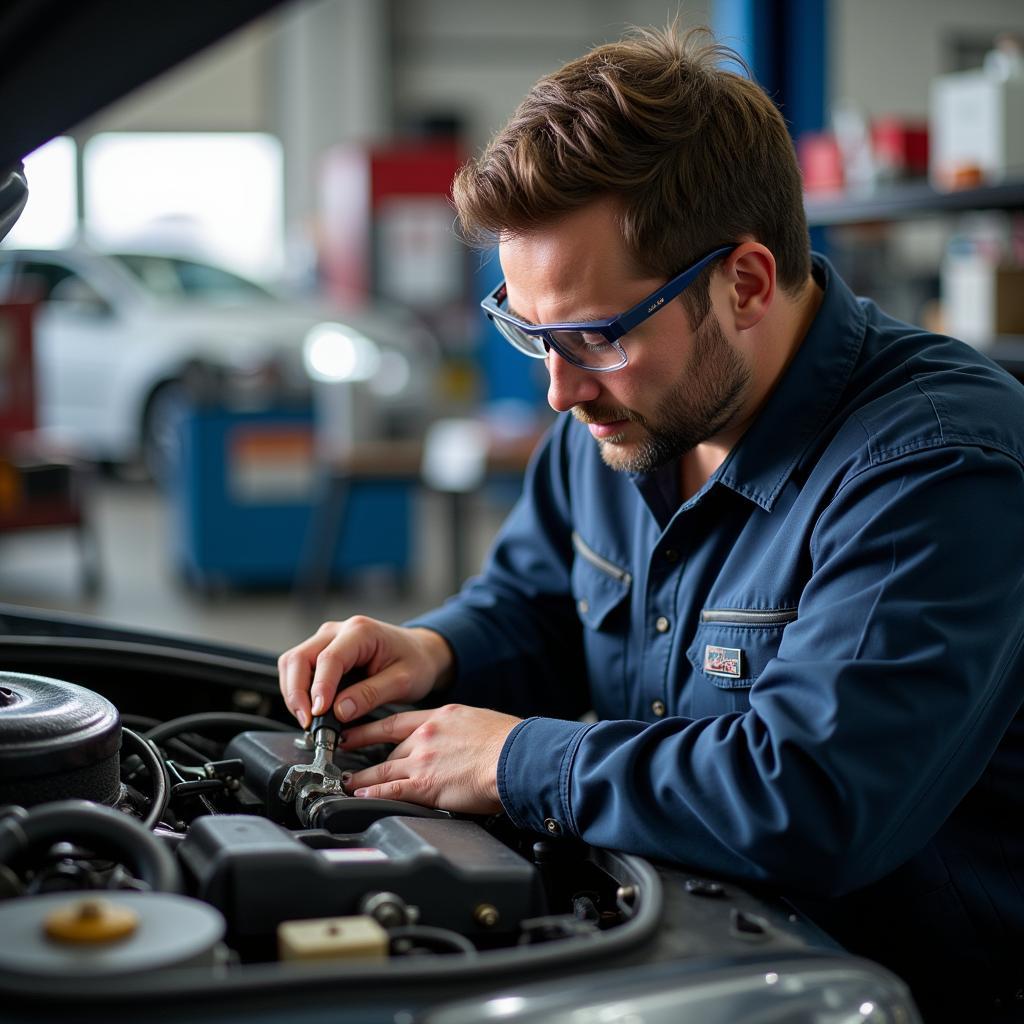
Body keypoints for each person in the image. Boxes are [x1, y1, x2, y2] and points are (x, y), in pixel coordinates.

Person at [279, 25, 1024, 1021]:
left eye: (593, 334)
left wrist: (511, 759)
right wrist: (432, 649)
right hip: (686, 948)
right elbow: (537, 600)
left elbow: (810, 796)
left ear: (746, 282)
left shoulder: (937, 464)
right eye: (527, 328)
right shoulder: (622, 412)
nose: (557, 389)